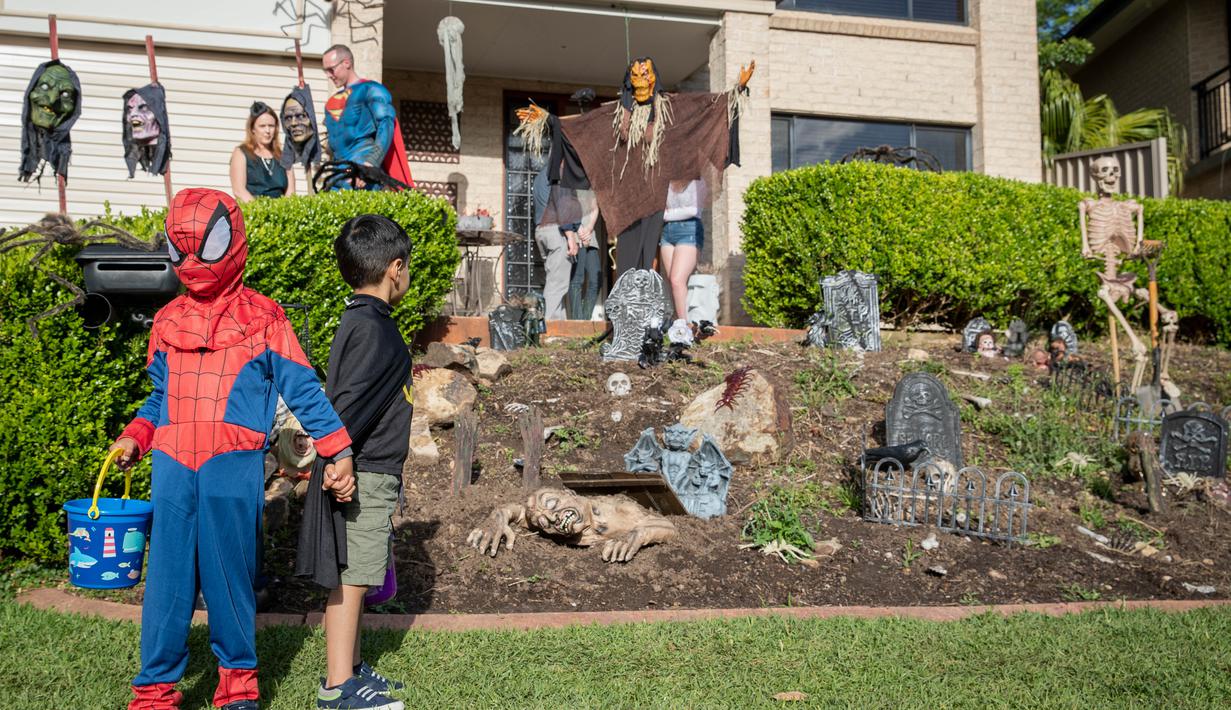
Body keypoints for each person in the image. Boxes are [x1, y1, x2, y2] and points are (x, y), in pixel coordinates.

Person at [110, 188, 355, 710]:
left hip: (231, 468)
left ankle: (237, 684)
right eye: (183, 249)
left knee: (230, 575)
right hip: (173, 467)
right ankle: (154, 688)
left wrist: (338, 449)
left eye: (207, 245)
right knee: (168, 583)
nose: (194, 262)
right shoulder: (167, 321)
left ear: (232, 239)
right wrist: (136, 434)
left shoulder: (263, 318)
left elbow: (304, 389)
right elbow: (160, 398)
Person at [304, 214, 413, 710]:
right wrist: (338, 462)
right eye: (407, 267)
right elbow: (346, 407)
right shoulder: (374, 330)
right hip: (364, 474)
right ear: (395, 269)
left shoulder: (361, 320)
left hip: (366, 470)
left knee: (360, 574)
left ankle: (349, 667)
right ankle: (337, 687)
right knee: (352, 579)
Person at [320, 44, 412, 190]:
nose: (329, 75)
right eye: (325, 71)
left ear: (346, 63)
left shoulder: (372, 89)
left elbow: (386, 125)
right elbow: (334, 144)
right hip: (338, 176)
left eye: (331, 69)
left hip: (363, 175)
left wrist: (369, 166)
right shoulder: (330, 103)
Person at [660, 179, 706, 345]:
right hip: (667, 232)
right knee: (672, 282)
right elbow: (661, 210)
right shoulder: (667, 183)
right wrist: (668, 214)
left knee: (677, 279)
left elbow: (694, 210)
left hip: (689, 230)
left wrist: (668, 214)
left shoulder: (697, 182)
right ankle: (677, 326)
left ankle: (685, 330)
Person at [230, 101, 294, 202]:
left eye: (271, 126)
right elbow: (239, 190)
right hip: (253, 211)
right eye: (262, 126)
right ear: (252, 129)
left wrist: (281, 212)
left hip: (280, 212)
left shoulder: (283, 156)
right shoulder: (241, 153)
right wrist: (261, 212)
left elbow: (290, 192)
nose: (267, 131)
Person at [532, 163, 572, 320]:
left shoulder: (540, 176)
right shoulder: (557, 175)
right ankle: (545, 327)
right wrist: (570, 236)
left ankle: (559, 327)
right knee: (557, 285)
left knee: (554, 280)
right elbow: (561, 205)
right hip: (556, 231)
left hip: (541, 231)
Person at [566, 188, 601, 320]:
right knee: (577, 279)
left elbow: (594, 208)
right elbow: (566, 211)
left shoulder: (590, 186)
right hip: (575, 234)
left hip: (590, 235)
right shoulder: (569, 186)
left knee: (596, 279)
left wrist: (589, 228)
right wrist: (580, 231)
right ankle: (577, 320)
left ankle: (585, 319)